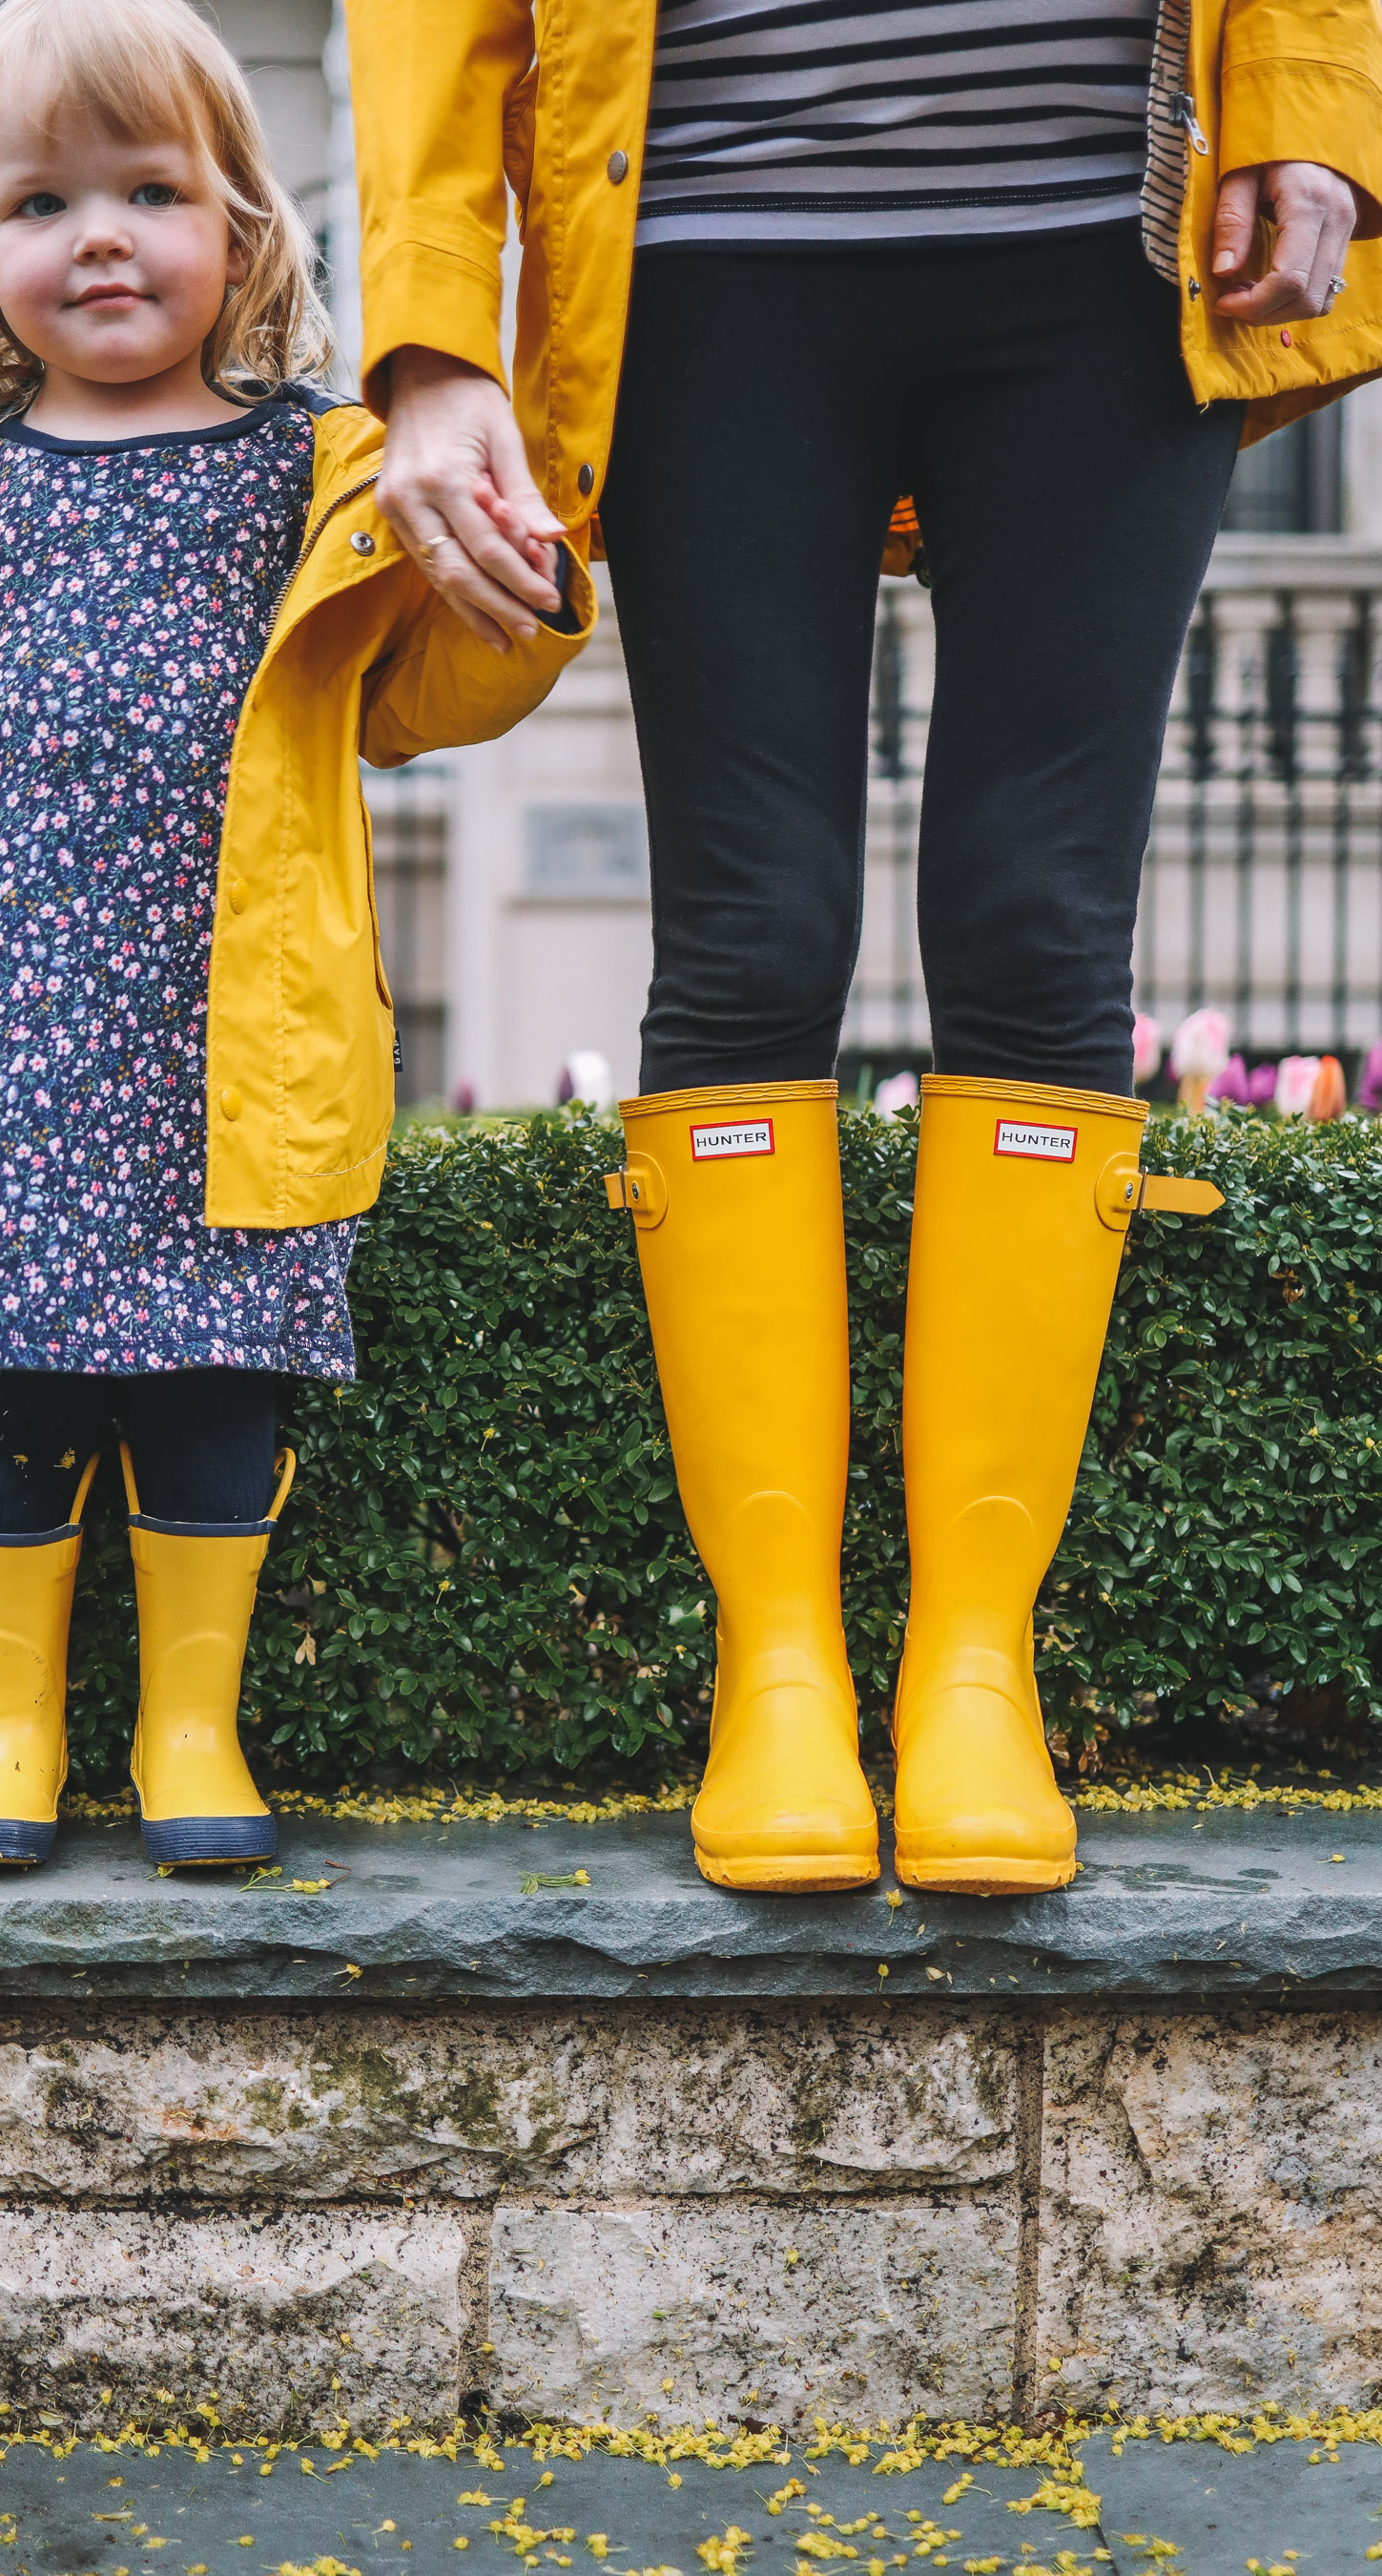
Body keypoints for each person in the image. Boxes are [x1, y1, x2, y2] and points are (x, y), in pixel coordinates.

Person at [347, 0, 1382, 1894]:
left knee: (1040, 921)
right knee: (750, 930)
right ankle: (784, 1667)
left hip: (1111, 230)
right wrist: (429, 336)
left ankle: (975, 1669)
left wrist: (1319, 110)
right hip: (712, 234)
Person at [0, 0, 589, 1872]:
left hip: (224, 1040)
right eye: (43, 202)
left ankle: (193, 1731)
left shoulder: (325, 470)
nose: (102, 236)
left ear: (246, 230)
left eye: (151, 191)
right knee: (10, 1388)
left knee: (220, 1384)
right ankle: (7, 1731)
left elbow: (436, 690)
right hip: (9, 1040)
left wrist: (526, 590)